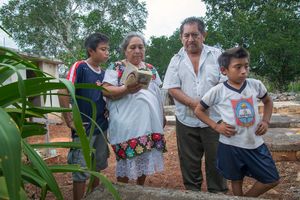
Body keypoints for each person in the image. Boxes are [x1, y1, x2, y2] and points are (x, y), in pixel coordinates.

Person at [194, 46, 280, 197]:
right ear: (224, 70)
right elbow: (198, 110)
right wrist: (216, 126)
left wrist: (266, 121)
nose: (243, 71)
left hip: (255, 143)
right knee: (236, 179)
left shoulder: (255, 85)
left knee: (271, 179)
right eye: (238, 67)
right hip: (230, 145)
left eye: (246, 66)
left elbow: (268, 101)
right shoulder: (218, 90)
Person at [162, 16, 228, 193]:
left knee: (217, 161)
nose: (190, 39)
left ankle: (218, 193)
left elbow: (226, 83)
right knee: (189, 163)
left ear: (203, 35)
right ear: (181, 38)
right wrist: (193, 104)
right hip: (187, 120)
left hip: (214, 119)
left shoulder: (217, 55)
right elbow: (172, 88)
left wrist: (206, 103)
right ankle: (192, 194)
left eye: (195, 34)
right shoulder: (176, 59)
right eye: (186, 35)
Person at [102, 32, 166, 185]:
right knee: (126, 156)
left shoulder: (151, 69)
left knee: (145, 154)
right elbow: (105, 90)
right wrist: (126, 89)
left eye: (141, 47)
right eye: (133, 47)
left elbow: (158, 94)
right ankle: (122, 190)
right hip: (126, 123)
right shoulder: (116, 67)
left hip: (150, 122)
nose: (137, 50)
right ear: (125, 50)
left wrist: (162, 115)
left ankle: (139, 188)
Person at [58, 33, 110, 200]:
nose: (107, 52)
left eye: (107, 49)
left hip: (101, 127)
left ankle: (92, 196)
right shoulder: (80, 67)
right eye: (103, 49)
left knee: (97, 166)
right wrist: (69, 119)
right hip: (84, 128)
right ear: (90, 51)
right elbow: (63, 90)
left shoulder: (104, 74)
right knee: (80, 170)